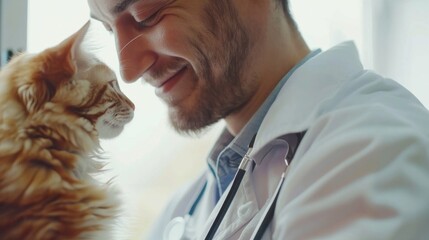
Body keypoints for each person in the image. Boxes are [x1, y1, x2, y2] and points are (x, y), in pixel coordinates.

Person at [87, 0, 429, 239]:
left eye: (148, 15)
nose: (128, 70)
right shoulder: (187, 208)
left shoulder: (375, 151)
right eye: (108, 30)